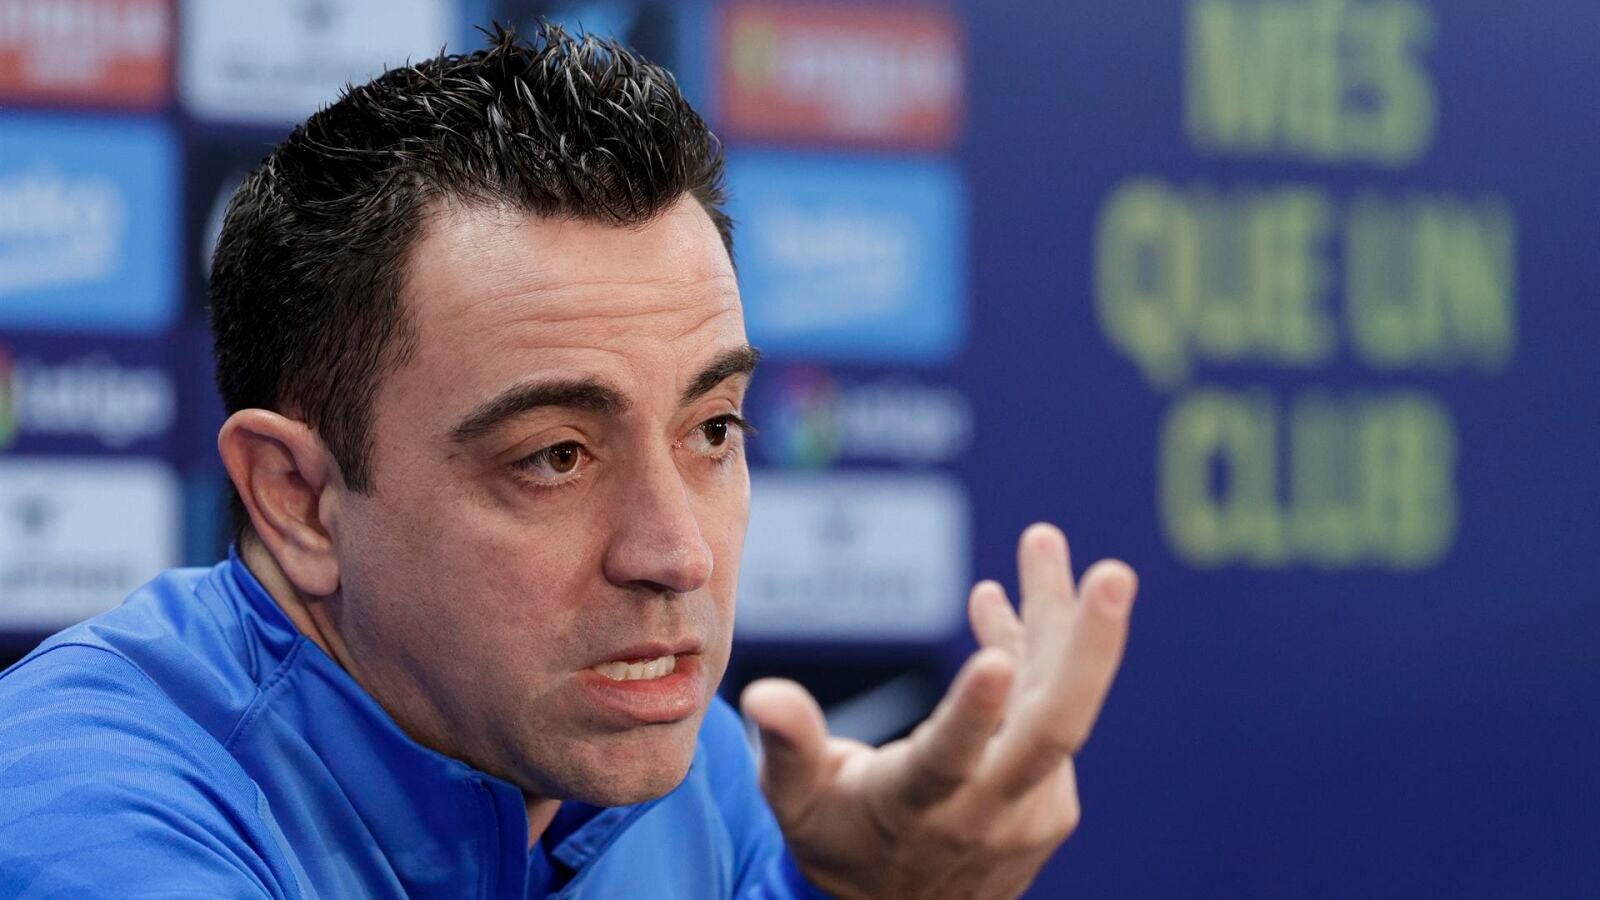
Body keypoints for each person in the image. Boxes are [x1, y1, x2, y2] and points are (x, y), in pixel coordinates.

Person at [0, 25, 1137, 899]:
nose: (677, 555)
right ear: (296, 498)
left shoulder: (688, 766)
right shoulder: (84, 808)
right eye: (555, 456)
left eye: (713, 431)